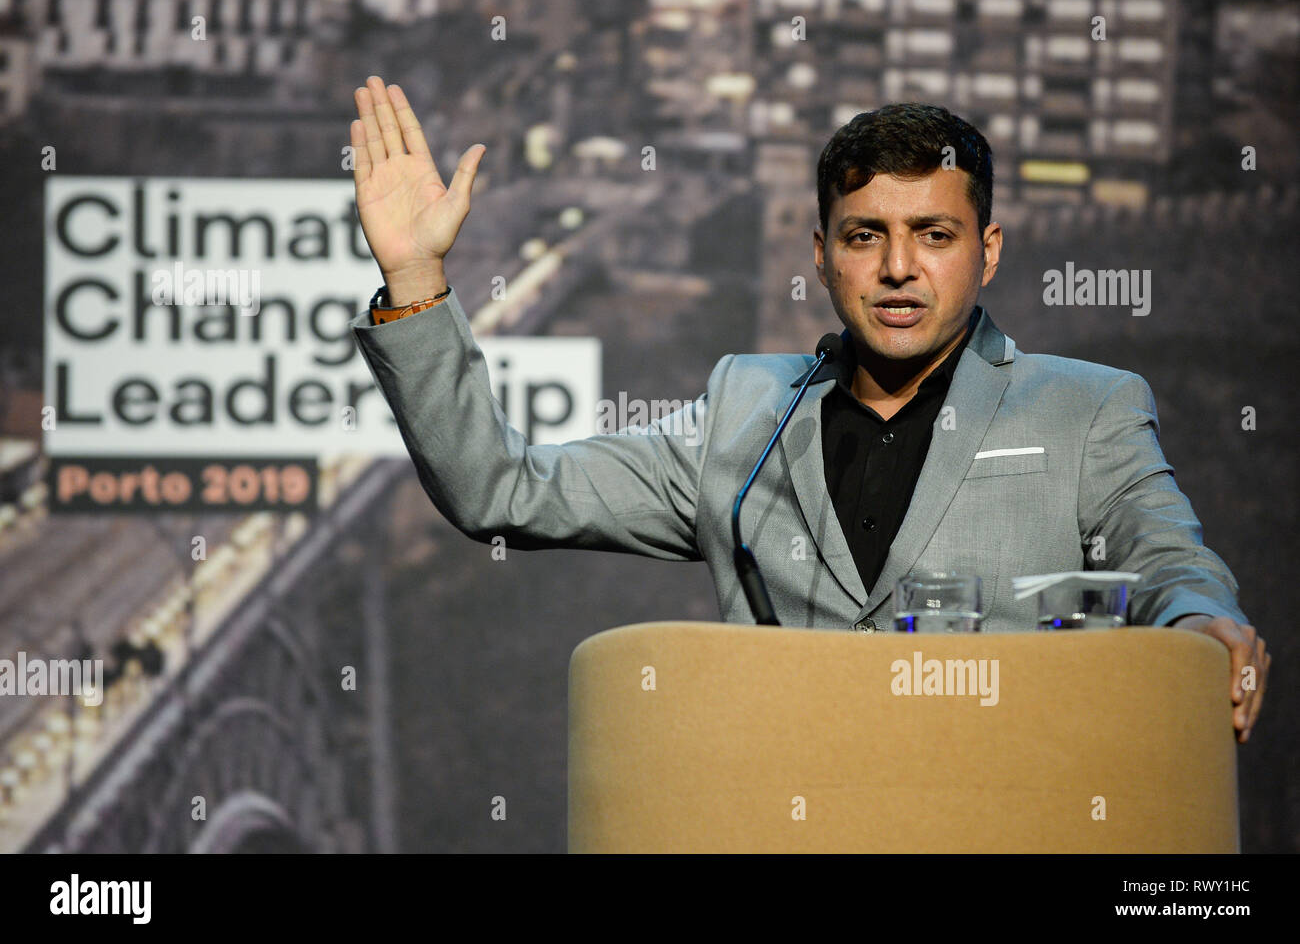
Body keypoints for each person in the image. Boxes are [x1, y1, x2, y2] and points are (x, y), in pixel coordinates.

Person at [345, 75, 1269, 743]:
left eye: (934, 236)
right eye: (867, 236)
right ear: (822, 253)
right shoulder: (741, 413)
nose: (899, 267)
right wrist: (417, 276)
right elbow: (500, 489)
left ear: (987, 252)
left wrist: (1200, 625)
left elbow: (1168, 558)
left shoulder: (1087, 409)